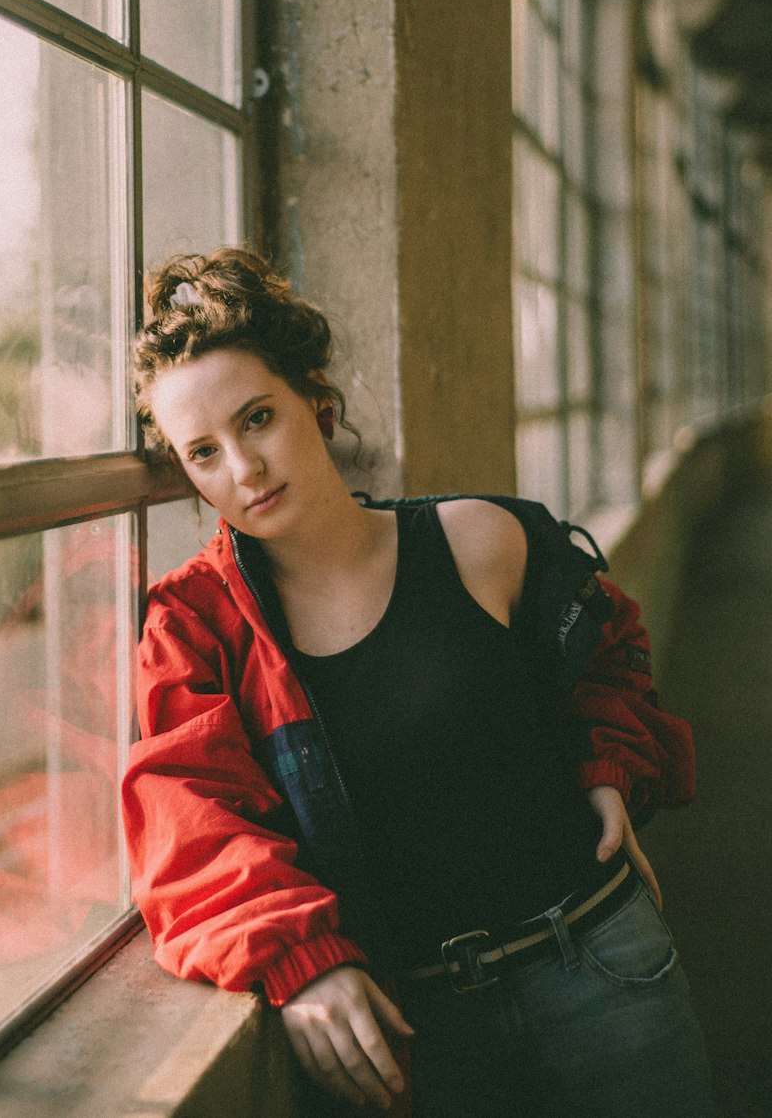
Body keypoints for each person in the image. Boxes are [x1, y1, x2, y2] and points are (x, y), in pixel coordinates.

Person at [121, 247, 713, 1117]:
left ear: (315, 403)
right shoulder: (197, 627)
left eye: (258, 418)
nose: (242, 468)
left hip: (603, 964)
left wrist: (610, 766)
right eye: (202, 451)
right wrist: (297, 959)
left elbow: (607, 649)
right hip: (419, 1034)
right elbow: (187, 820)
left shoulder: (478, 539)